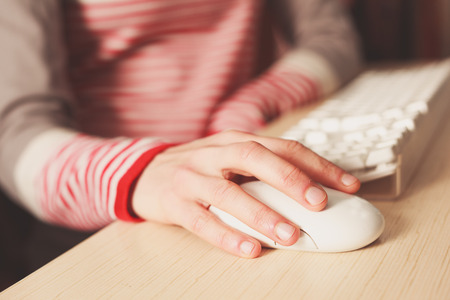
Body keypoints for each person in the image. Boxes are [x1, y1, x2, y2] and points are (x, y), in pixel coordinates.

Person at [0, 0, 361, 260]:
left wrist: (256, 100)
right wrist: (142, 171)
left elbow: (331, 37)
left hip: (244, 188)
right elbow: (15, 133)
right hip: (104, 232)